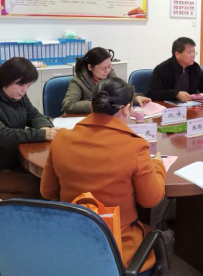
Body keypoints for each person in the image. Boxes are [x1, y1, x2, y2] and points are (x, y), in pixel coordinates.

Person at [41, 77, 166, 270]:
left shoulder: (61, 139)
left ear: (92, 106)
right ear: (126, 110)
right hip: (115, 245)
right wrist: (157, 165)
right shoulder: (134, 146)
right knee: (149, 232)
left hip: (70, 237)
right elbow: (150, 200)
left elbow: (47, 192)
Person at [0, 57, 57, 199]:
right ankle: (11, 208)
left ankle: (14, 201)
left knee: (50, 177)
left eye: (28, 85)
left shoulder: (18, 96)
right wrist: (42, 134)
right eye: (21, 84)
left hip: (11, 160)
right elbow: (2, 136)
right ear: (6, 79)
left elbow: (34, 115)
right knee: (38, 185)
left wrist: (45, 127)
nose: (25, 89)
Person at [62, 47, 150, 114]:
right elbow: (68, 105)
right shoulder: (78, 81)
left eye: (109, 66)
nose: (107, 71)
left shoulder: (110, 74)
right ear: (90, 67)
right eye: (103, 68)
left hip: (110, 118)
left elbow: (122, 92)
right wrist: (95, 105)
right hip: (90, 119)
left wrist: (134, 98)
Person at [147, 37, 203, 101]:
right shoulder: (162, 69)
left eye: (194, 52)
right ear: (177, 54)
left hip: (190, 106)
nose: (193, 55)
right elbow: (152, 93)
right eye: (189, 53)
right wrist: (176, 94)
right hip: (168, 109)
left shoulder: (194, 67)